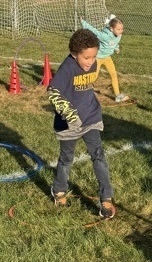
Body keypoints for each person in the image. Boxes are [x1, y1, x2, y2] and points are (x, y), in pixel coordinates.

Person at [47, 28, 115, 220]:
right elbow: (52, 92)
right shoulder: (67, 67)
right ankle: (59, 190)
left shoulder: (92, 63)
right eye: (86, 58)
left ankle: (106, 198)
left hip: (91, 117)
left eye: (93, 57)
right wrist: (69, 114)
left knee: (99, 155)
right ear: (74, 53)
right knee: (67, 159)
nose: (90, 62)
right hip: (69, 124)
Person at [80, 15, 128, 102]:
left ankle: (117, 95)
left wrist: (116, 48)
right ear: (111, 29)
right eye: (118, 29)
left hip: (107, 58)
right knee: (93, 77)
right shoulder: (104, 36)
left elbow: (115, 43)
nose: (121, 31)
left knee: (114, 75)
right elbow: (94, 31)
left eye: (122, 29)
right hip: (98, 58)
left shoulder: (119, 35)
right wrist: (83, 22)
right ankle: (84, 92)